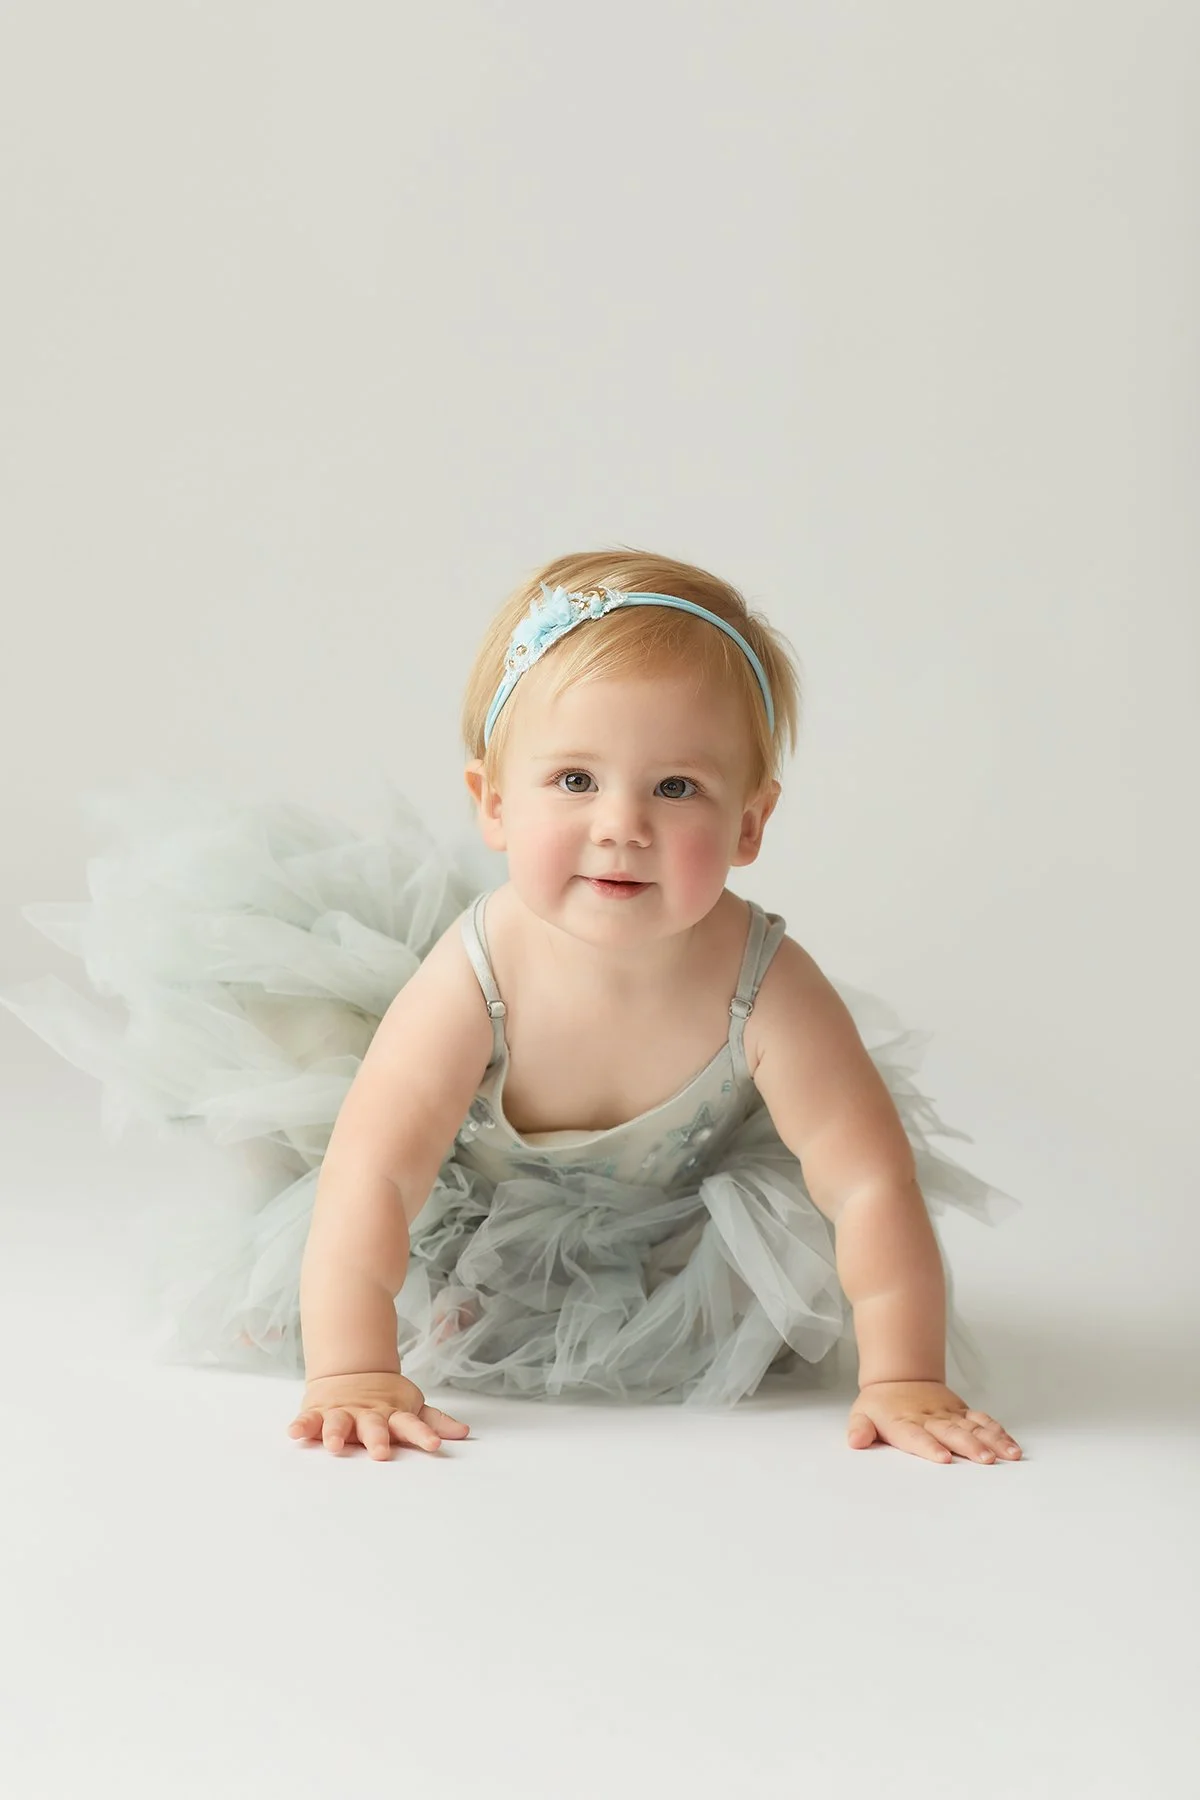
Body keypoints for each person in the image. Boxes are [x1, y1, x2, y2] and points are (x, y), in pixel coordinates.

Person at [1, 547, 1023, 1467]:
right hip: (470, 1212)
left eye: (676, 788)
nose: (621, 825)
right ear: (494, 802)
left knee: (771, 1275)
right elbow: (378, 1167)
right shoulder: (479, 969)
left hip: (663, 1233)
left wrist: (903, 1375)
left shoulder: (766, 982)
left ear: (751, 823)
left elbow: (867, 1181)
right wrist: (353, 1366)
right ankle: (375, 1307)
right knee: (340, 1170)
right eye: (576, 778)